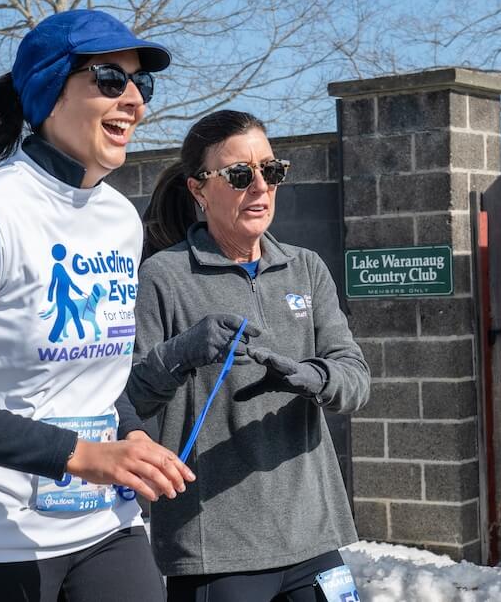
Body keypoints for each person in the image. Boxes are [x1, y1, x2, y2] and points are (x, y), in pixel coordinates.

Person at [0, 9, 195, 602]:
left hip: (103, 527)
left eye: (141, 84)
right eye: (111, 79)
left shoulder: (118, 219)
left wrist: (127, 438)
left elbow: (99, 378)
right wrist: (80, 456)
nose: (134, 100)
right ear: (51, 90)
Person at [128, 110, 371, 602]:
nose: (260, 186)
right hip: (216, 546)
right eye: (239, 175)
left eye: (272, 171)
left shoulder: (306, 268)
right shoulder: (161, 277)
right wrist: (180, 352)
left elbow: (356, 379)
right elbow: (129, 401)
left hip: (313, 536)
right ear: (199, 190)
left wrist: (314, 376)